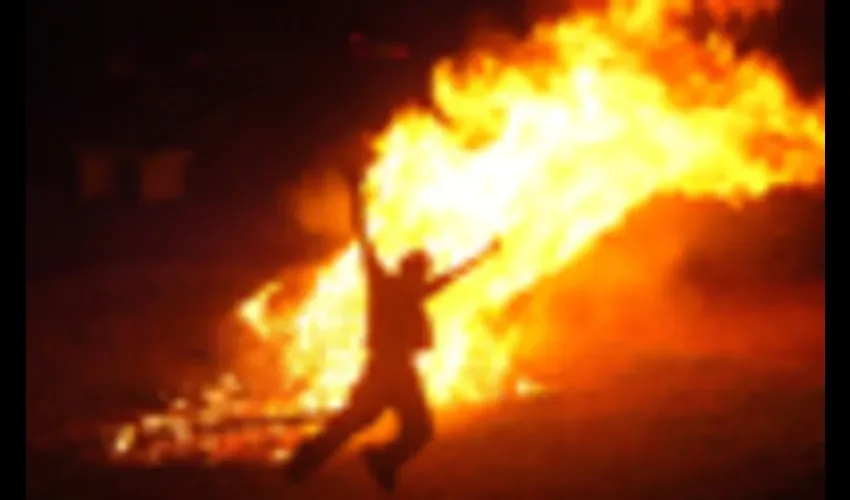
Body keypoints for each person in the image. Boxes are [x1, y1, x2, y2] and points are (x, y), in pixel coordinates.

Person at [284, 171, 501, 491]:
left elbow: (451, 277)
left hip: (398, 371)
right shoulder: (384, 284)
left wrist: (483, 255)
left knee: (406, 427)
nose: (424, 275)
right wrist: (356, 194)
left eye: (424, 271)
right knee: (368, 423)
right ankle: (311, 463)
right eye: (421, 270)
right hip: (386, 369)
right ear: (409, 270)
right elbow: (363, 237)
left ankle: (376, 461)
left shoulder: (413, 291)